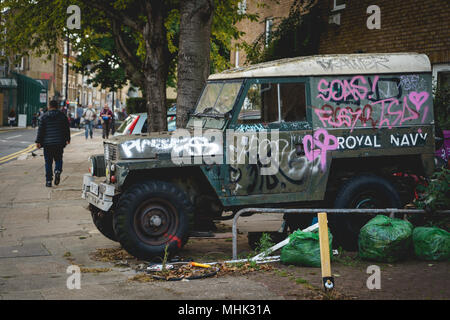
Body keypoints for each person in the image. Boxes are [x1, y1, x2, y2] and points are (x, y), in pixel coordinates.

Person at [35, 100, 70, 187]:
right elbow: (66, 129)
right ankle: (57, 170)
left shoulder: (44, 117)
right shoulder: (62, 116)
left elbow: (41, 131)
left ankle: (48, 181)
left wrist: (38, 141)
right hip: (59, 143)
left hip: (47, 144)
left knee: (48, 162)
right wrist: (68, 139)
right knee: (58, 159)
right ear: (57, 106)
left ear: (49, 106)